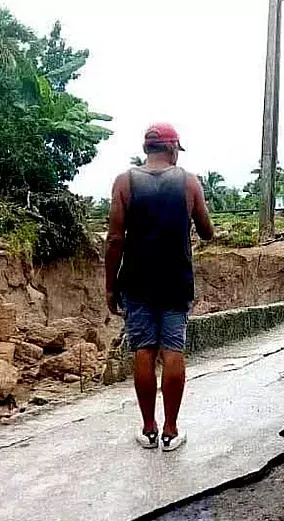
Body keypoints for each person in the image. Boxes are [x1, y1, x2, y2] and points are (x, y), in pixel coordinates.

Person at [105, 123, 215, 451]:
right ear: (172, 148)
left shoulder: (124, 182)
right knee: (172, 350)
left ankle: (149, 428)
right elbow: (207, 231)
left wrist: (111, 286)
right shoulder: (189, 182)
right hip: (175, 281)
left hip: (136, 281)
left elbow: (114, 239)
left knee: (144, 349)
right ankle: (170, 430)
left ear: (147, 149)